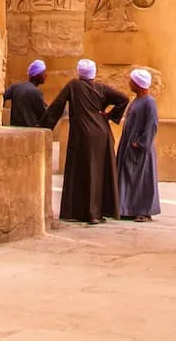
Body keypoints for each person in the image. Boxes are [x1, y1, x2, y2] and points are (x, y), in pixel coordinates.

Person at [45, 58, 128, 224]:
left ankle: (82, 212)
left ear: (79, 72)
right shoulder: (101, 88)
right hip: (101, 135)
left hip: (82, 135)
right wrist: (108, 116)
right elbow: (123, 99)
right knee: (98, 173)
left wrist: (44, 125)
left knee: (82, 171)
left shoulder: (74, 86)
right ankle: (96, 212)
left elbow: (58, 105)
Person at [115, 68, 160, 221]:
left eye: (132, 81)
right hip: (129, 146)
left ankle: (144, 211)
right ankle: (127, 209)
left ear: (138, 84)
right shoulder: (137, 101)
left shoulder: (149, 103)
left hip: (140, 149)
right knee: (129, 178)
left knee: (142, 180)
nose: (129, 83)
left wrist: (139, 143)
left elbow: (151, 126)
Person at [2, 60, 50, 128]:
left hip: (14, 129)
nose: (46, 75)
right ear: (36, 75)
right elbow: (44, 114)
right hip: (30, 132)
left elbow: (2, 97)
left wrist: (0, 119)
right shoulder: (36, 92)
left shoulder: (15, 87)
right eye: (43, 72)